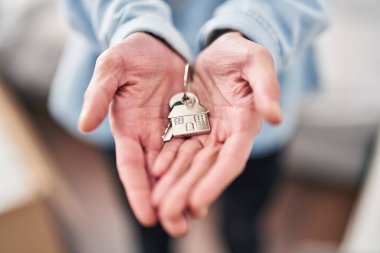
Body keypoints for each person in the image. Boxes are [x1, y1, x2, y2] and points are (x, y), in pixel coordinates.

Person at [49, 1, 330, 252]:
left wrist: (253, 24)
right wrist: (132, 21)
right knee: (149, 215)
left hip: (250, 90)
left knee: (244, 222)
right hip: (130, 90)